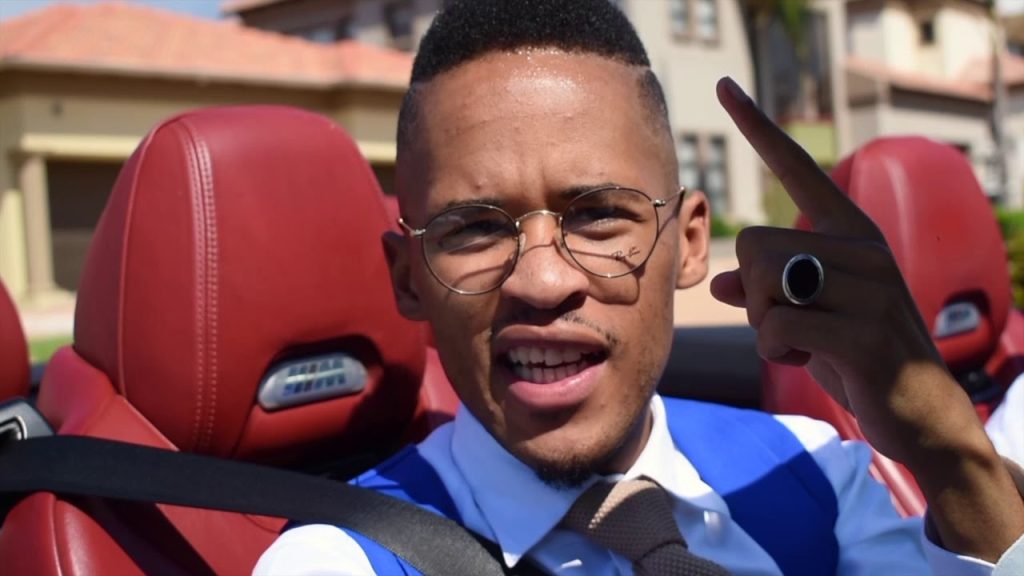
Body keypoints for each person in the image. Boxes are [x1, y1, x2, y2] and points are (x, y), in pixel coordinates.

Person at [255, 1, 1024, 574]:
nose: (543, 281)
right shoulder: (339, 559)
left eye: (598, 217)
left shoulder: (813, 470)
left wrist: (951, 453)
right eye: (475, 229)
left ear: (688, 244)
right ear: (409, 279)